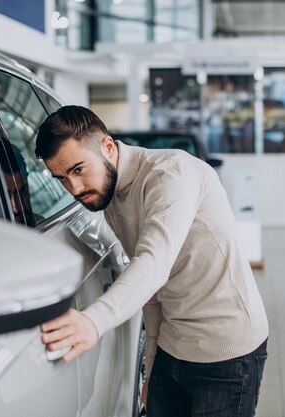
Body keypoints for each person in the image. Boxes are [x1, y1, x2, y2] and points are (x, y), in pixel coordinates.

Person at [35, 105, 269, 417]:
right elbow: (153, 293)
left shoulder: (171, 173)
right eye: (61, 178)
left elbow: (154, 262)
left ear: (107, 146)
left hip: (226, 352)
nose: (74, 189)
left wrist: (93, 320)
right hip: (173, 349)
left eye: (78, 169)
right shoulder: (110, 194)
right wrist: (152, 369)